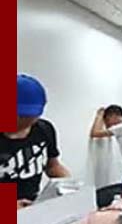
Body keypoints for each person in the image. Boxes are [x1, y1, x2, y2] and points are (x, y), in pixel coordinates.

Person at [2, 75, 71, 209]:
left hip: (33, 206)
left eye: (31, 116)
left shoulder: (44, 129)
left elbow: (52, 166)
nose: (25, 121)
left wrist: (68, 184)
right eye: (20, 116)